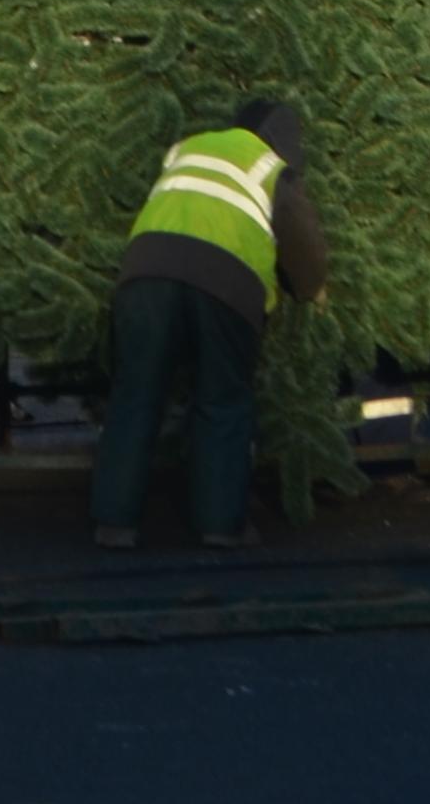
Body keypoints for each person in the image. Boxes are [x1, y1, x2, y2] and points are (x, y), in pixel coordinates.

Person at [90, 102, 325, 551]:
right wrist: (312, 288)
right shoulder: (272, 167)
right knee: (223, 399)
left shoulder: (188, 148)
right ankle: (221, 525)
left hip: (147, 273)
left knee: (136, 393)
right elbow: (303, 242)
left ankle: (114, 523)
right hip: (226, 282)